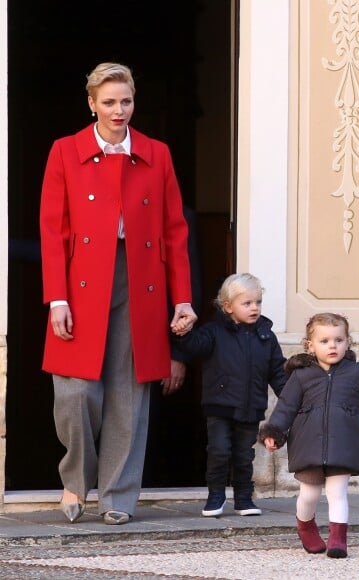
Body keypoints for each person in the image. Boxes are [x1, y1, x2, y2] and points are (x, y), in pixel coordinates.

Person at [39, 62, 197, 525]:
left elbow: (175, 231)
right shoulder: (65, 152)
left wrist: (182, 297)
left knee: (130, 393)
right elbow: (53, 231)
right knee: (75, 393)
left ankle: (118, 497)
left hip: (140, 276)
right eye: (108, 102)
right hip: (82, 279)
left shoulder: (156, 153)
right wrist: (57, 299)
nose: (118, 110)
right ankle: (75, 481)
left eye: (125, 101)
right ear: (91, 104)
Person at [259, 313, 359, 558]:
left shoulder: (355, 372)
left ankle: (338, 539)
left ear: (348, 342)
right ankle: (306, 526)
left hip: (343, 443)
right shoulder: (301, 375)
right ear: (310, 346)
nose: (332, 346)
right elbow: (286, 407)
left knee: (337, 493)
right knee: (309, 494)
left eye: (339, 340)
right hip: (308, 443)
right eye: (324, 341)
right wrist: (275, 432)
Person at [173, 272, 287, 517]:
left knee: (244, 456)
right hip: (219, 406)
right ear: (228, 307)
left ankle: (244, 499)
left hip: (251, 407)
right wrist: (184, 332)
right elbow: (195, 346)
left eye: (257, 303)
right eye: (247, 303)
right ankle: (215, 496)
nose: (254, 308)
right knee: (219, 451)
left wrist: (290, 395)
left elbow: (277, 370)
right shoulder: (214, 332)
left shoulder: (266, 336)